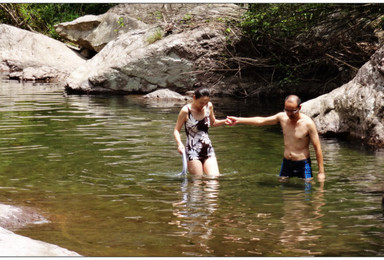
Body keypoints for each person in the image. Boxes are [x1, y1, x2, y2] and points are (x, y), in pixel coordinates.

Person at [226, 95, 325, 182]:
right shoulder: (282, 117)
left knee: (307, 189)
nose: (289, 114)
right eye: (287, 110)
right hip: (286, 162)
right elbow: (261, 121)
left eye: (293, 111)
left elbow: (317, 148)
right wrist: (239, 120)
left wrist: (321, 172)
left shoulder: (308, 123)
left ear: (299, 107)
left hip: (303, 164)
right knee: (282, 188)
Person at [174, 87, 227, 176]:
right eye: (201, 102)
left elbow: (213, 123)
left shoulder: (209, 106)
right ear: (194, 98)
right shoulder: (186, 110)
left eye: (205, 102)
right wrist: (179, 144)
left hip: (208, 149)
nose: (203, 105)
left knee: (214, 180)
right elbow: (176, 130)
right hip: (192, 151)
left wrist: (226, 121)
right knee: (197, 183)